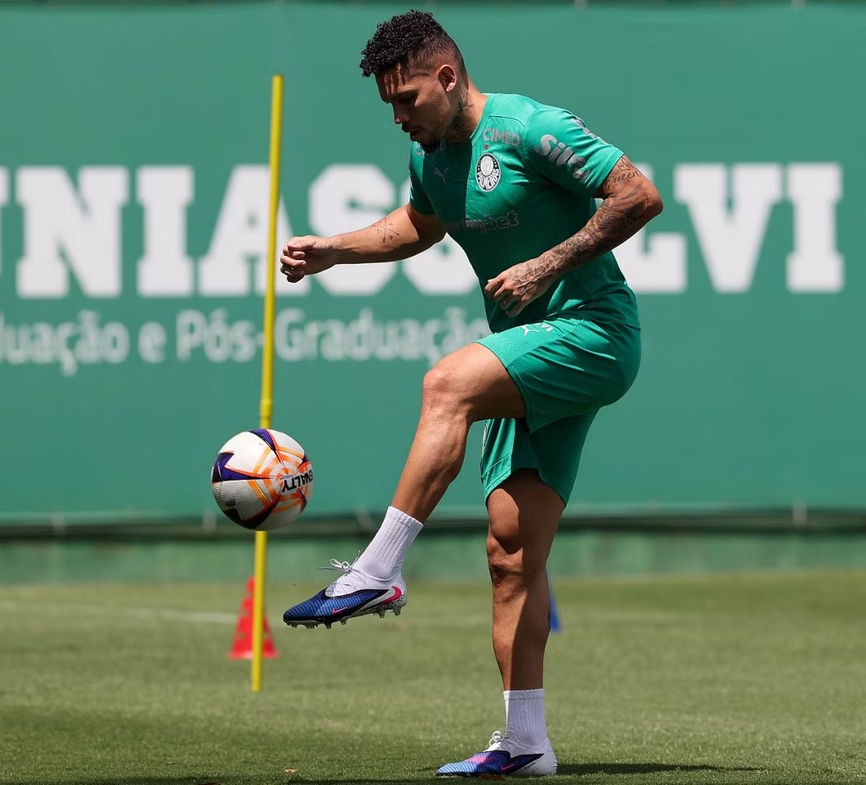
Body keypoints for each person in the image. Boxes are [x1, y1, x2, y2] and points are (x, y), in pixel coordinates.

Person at [279, 9, 663, 779]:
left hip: (594, 331)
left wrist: (548, 265)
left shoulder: (528, 127)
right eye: (388, 104)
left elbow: (639, 194)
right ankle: (526, 742)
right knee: (510, 550)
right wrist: (333, 251)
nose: (398, 117)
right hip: (537, 356)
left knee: (446, 382)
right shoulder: (432, 157)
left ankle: (378, 569)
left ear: (449, 77)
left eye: (408, 98)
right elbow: (418, 227)